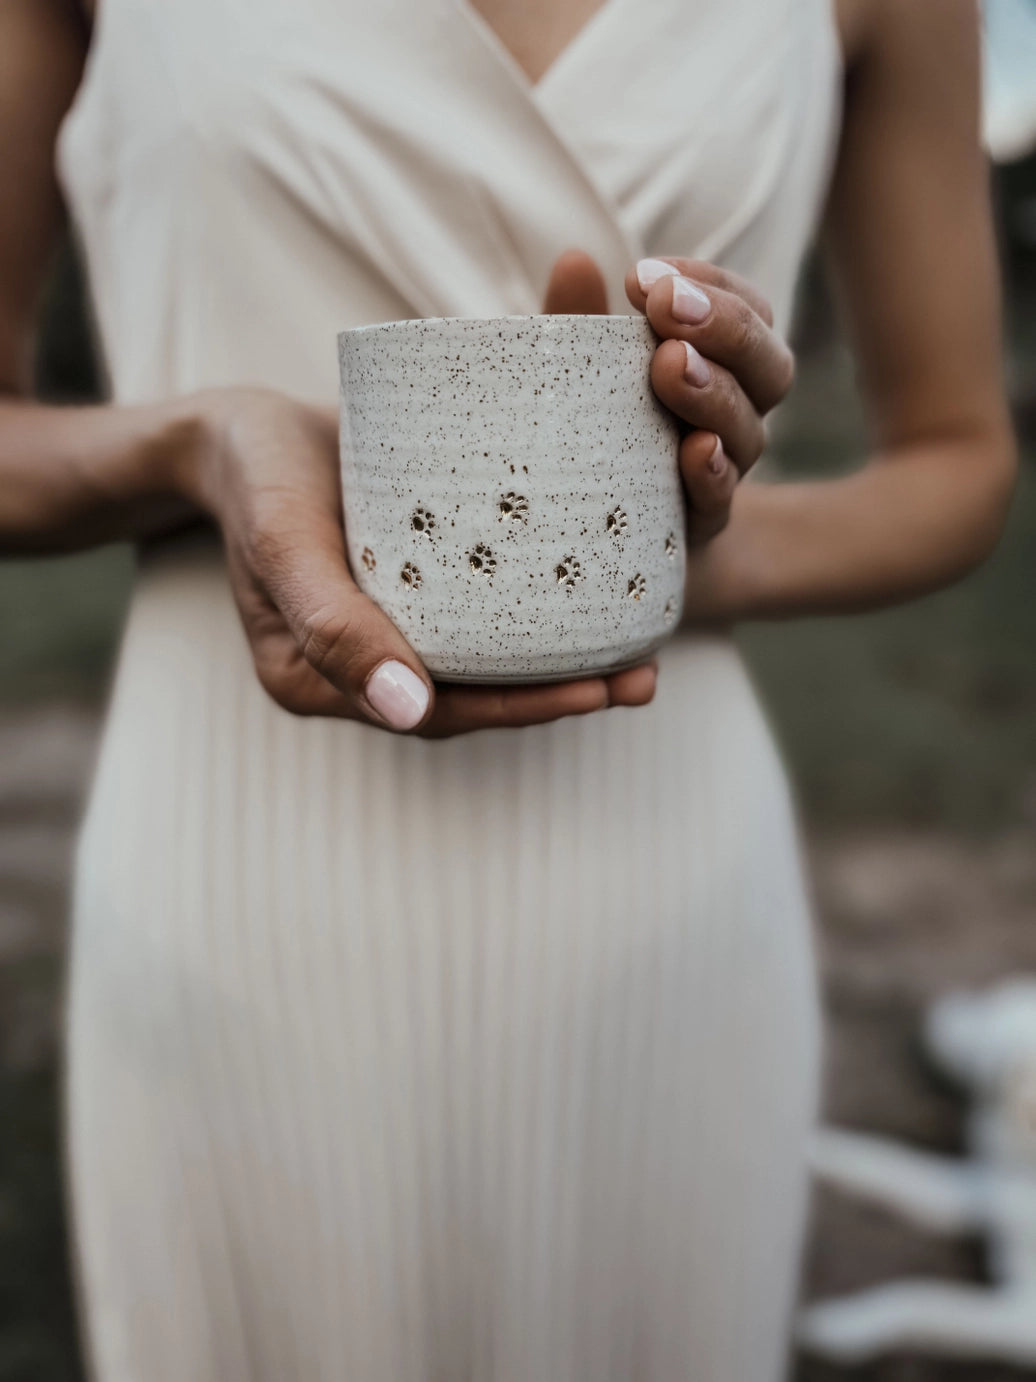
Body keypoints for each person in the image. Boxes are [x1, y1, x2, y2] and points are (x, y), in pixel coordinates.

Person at [0, 0, 1016, 1378]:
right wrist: (201, 442)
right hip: (238, 885)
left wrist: (668, 557)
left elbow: (959, 456)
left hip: (662, 910)